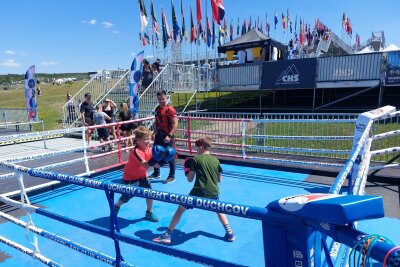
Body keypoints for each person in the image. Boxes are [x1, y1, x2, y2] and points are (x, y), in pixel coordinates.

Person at [152, 136, 235, 244]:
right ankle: (230, 233)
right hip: (213, 191)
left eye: (196, 147)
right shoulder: (216, 160)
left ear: (201, 147)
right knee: (219, 210)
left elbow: (190, 179)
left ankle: (167, 235)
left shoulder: (196, 159)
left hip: (198, 192)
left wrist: (186, 171)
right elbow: (219, 179)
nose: (196, 150)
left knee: (180, 209)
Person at [113, 126, 159, 222]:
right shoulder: (135, 152)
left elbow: (157, 166)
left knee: (150, 194)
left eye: (149, 139)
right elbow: (145, 166)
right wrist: (155, 159)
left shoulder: (150, 149)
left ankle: (149, 212)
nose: (148, 141)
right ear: (138, 140)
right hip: (130, 178)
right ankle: (117, 206)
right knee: (125, 198)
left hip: (143, 176)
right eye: (146, 139)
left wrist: (163, 159)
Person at [148, 90, 178, 184]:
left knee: (170, 154)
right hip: (159, 135)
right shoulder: (157, 109)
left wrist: (169, 135)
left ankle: (172, 176)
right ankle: (156, 173)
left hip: (168, 135)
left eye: (163, 99)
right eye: (159, 99)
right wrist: (153, 133)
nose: (161, 101)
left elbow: (176, 124)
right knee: (156, 152)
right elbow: (156, 122)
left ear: (166, 98)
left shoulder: (170, 109)